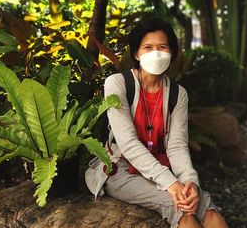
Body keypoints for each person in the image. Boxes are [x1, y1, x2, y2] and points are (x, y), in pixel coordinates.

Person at [85, 18, 228, 228]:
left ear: (171, 52)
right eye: (148, 47)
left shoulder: (178, 94)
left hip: (161, 164)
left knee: (205, 207)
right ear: (136, 53)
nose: (156, 53)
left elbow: (177, 147)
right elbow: (128, 144)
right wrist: (171, 184)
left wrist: (190, 183)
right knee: (180, 207)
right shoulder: (117, 84)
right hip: (121, 169)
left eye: (162, 47)